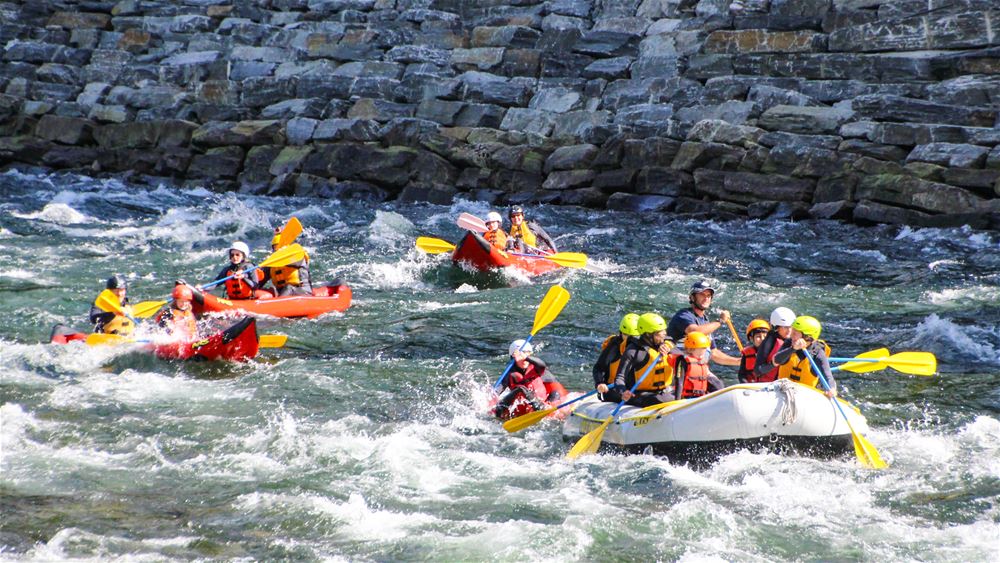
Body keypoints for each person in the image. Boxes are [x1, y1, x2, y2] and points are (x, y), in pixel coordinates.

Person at [606, 312, 675, 407]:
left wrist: (668, 345)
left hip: (663, 391)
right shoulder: (633, 351)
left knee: (677, 395)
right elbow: (620, 378)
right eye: (660, 332)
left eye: (664, 330)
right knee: (659, 400)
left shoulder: (665, 345)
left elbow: (677, 346)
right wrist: (623, 392)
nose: (664, 334)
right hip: (640, 394)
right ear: (649, 335)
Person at [666, 280, 740, 366]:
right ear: (692, 297)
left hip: (695, 369)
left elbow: (714, 353)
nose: (706, 298)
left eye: (708, 296)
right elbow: (695, 332)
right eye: (702, 295)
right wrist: (720, 321)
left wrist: (739, 361)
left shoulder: (705, 321)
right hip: (678, 368)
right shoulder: (683, 315)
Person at [493, 339, 562, 419]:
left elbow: (542, 365)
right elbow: (496, 392)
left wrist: (526, 357)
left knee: (556, 393)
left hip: (540, 404)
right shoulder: (509, 374)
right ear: (513, 356)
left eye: (527, 353)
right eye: (520, 354)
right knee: (519, 390)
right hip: (521, 409)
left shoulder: (536, 368)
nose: (523, 359)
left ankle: (542, 409)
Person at [773, 315, 837, 398]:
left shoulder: (818, 353)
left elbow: (828, 376)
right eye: (792, 331)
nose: (791, 335)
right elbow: (776, 360)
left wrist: (831, 389)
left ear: (807, 338)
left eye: (795, 333)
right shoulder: (789, 343)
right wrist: (792, 349)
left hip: (805, 396)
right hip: (782, 390)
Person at [592, 313, 641, 395]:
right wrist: (600, 383)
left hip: (634, 388)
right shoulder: (614, 346)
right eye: (625, 334)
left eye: (633, 336)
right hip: (612, 389)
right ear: (621, 333)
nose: (628, 339)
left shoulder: (645, 346)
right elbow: (598, 368)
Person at [670, 332, 726, 399]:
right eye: (702, 349)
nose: (705, 351)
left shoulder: (701, 362)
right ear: (690, 349)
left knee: (718, 384)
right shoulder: (683, 361)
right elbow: (679, 381)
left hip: (700, 396)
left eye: (705, 348)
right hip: (686, 397)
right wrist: (677, 401)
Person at [261, 229, 312, 296]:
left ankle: (278, 305)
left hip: (302, 290)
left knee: (288, 288)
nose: (278, 249)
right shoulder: (273, 263)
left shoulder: (297, 255)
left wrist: (277, 259)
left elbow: (292, 261)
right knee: (271, 289)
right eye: (275, 247)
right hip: (282, 292)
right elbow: (260, 279)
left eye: (280, 247)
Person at [752, 307, 796, 382]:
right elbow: (757, 370)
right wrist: (773, 364)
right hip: (770, 385)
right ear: (777, 327)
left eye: (791, 327)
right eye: (785, 327)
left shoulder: (795, 340)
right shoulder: (769, 342)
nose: (789, 330)